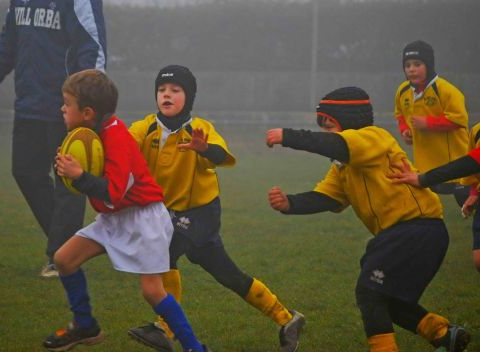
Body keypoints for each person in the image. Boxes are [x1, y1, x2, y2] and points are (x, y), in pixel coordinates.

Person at [266, 86, 471, 352]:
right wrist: (290, 203)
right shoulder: (343, 167)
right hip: (406, 235)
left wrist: (288, 136)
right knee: (385, 298)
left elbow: (335, 143)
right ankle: (444, 335)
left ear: (349, 121)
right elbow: (328, 198)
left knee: (369, 291)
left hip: (417, 229)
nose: (327, 133)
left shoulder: (372, 137)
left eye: (330, 125)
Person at [127, 65, 304, 352]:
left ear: (190, 97)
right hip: (169, 213)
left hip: (201, 212)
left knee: (165, 252)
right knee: (227, 274)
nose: (166, 95)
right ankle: (286, 318)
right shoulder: (144, 127)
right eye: (161, 90)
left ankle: (166, 328)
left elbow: (221, 156)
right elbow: (123, 144)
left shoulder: (201, 130)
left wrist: (203, 149)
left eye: (175, 90)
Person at [44, 69, 209, 352]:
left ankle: (195, 348)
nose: (62, 107)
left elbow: (112, 192)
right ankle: (86, 326)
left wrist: (80, 175)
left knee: (153, 291)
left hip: (144, 219)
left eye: (67, 103)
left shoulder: (116, 136)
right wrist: (68, 168)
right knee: (64, 259)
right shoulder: (89, 133)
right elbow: (95, 188)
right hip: (115, 217)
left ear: (87, 112)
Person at [0, 0, 107, 277]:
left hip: (66, 105)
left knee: (68, 182)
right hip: (29, 103)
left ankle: (60, 254)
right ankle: (70, 245)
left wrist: (86, 98)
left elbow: (92, 44)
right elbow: (10, 37)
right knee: (24, 172)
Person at [389, 122, 480, 273]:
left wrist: (423, 179)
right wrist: (474, 193)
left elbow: (472, 162)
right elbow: (474, 165)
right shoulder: (476, 130)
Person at [394, 40, 470, 206]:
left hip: (455, 167)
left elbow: (459, 120)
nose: (411, 69)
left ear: (429, 65)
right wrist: (405, 130)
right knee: (425, 209)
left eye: (417, 64)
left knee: (468, 206)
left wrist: (428, 123)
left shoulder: (445, 90)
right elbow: (400, 113)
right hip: (424, 169)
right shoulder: (403, 91)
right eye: (407, 65)